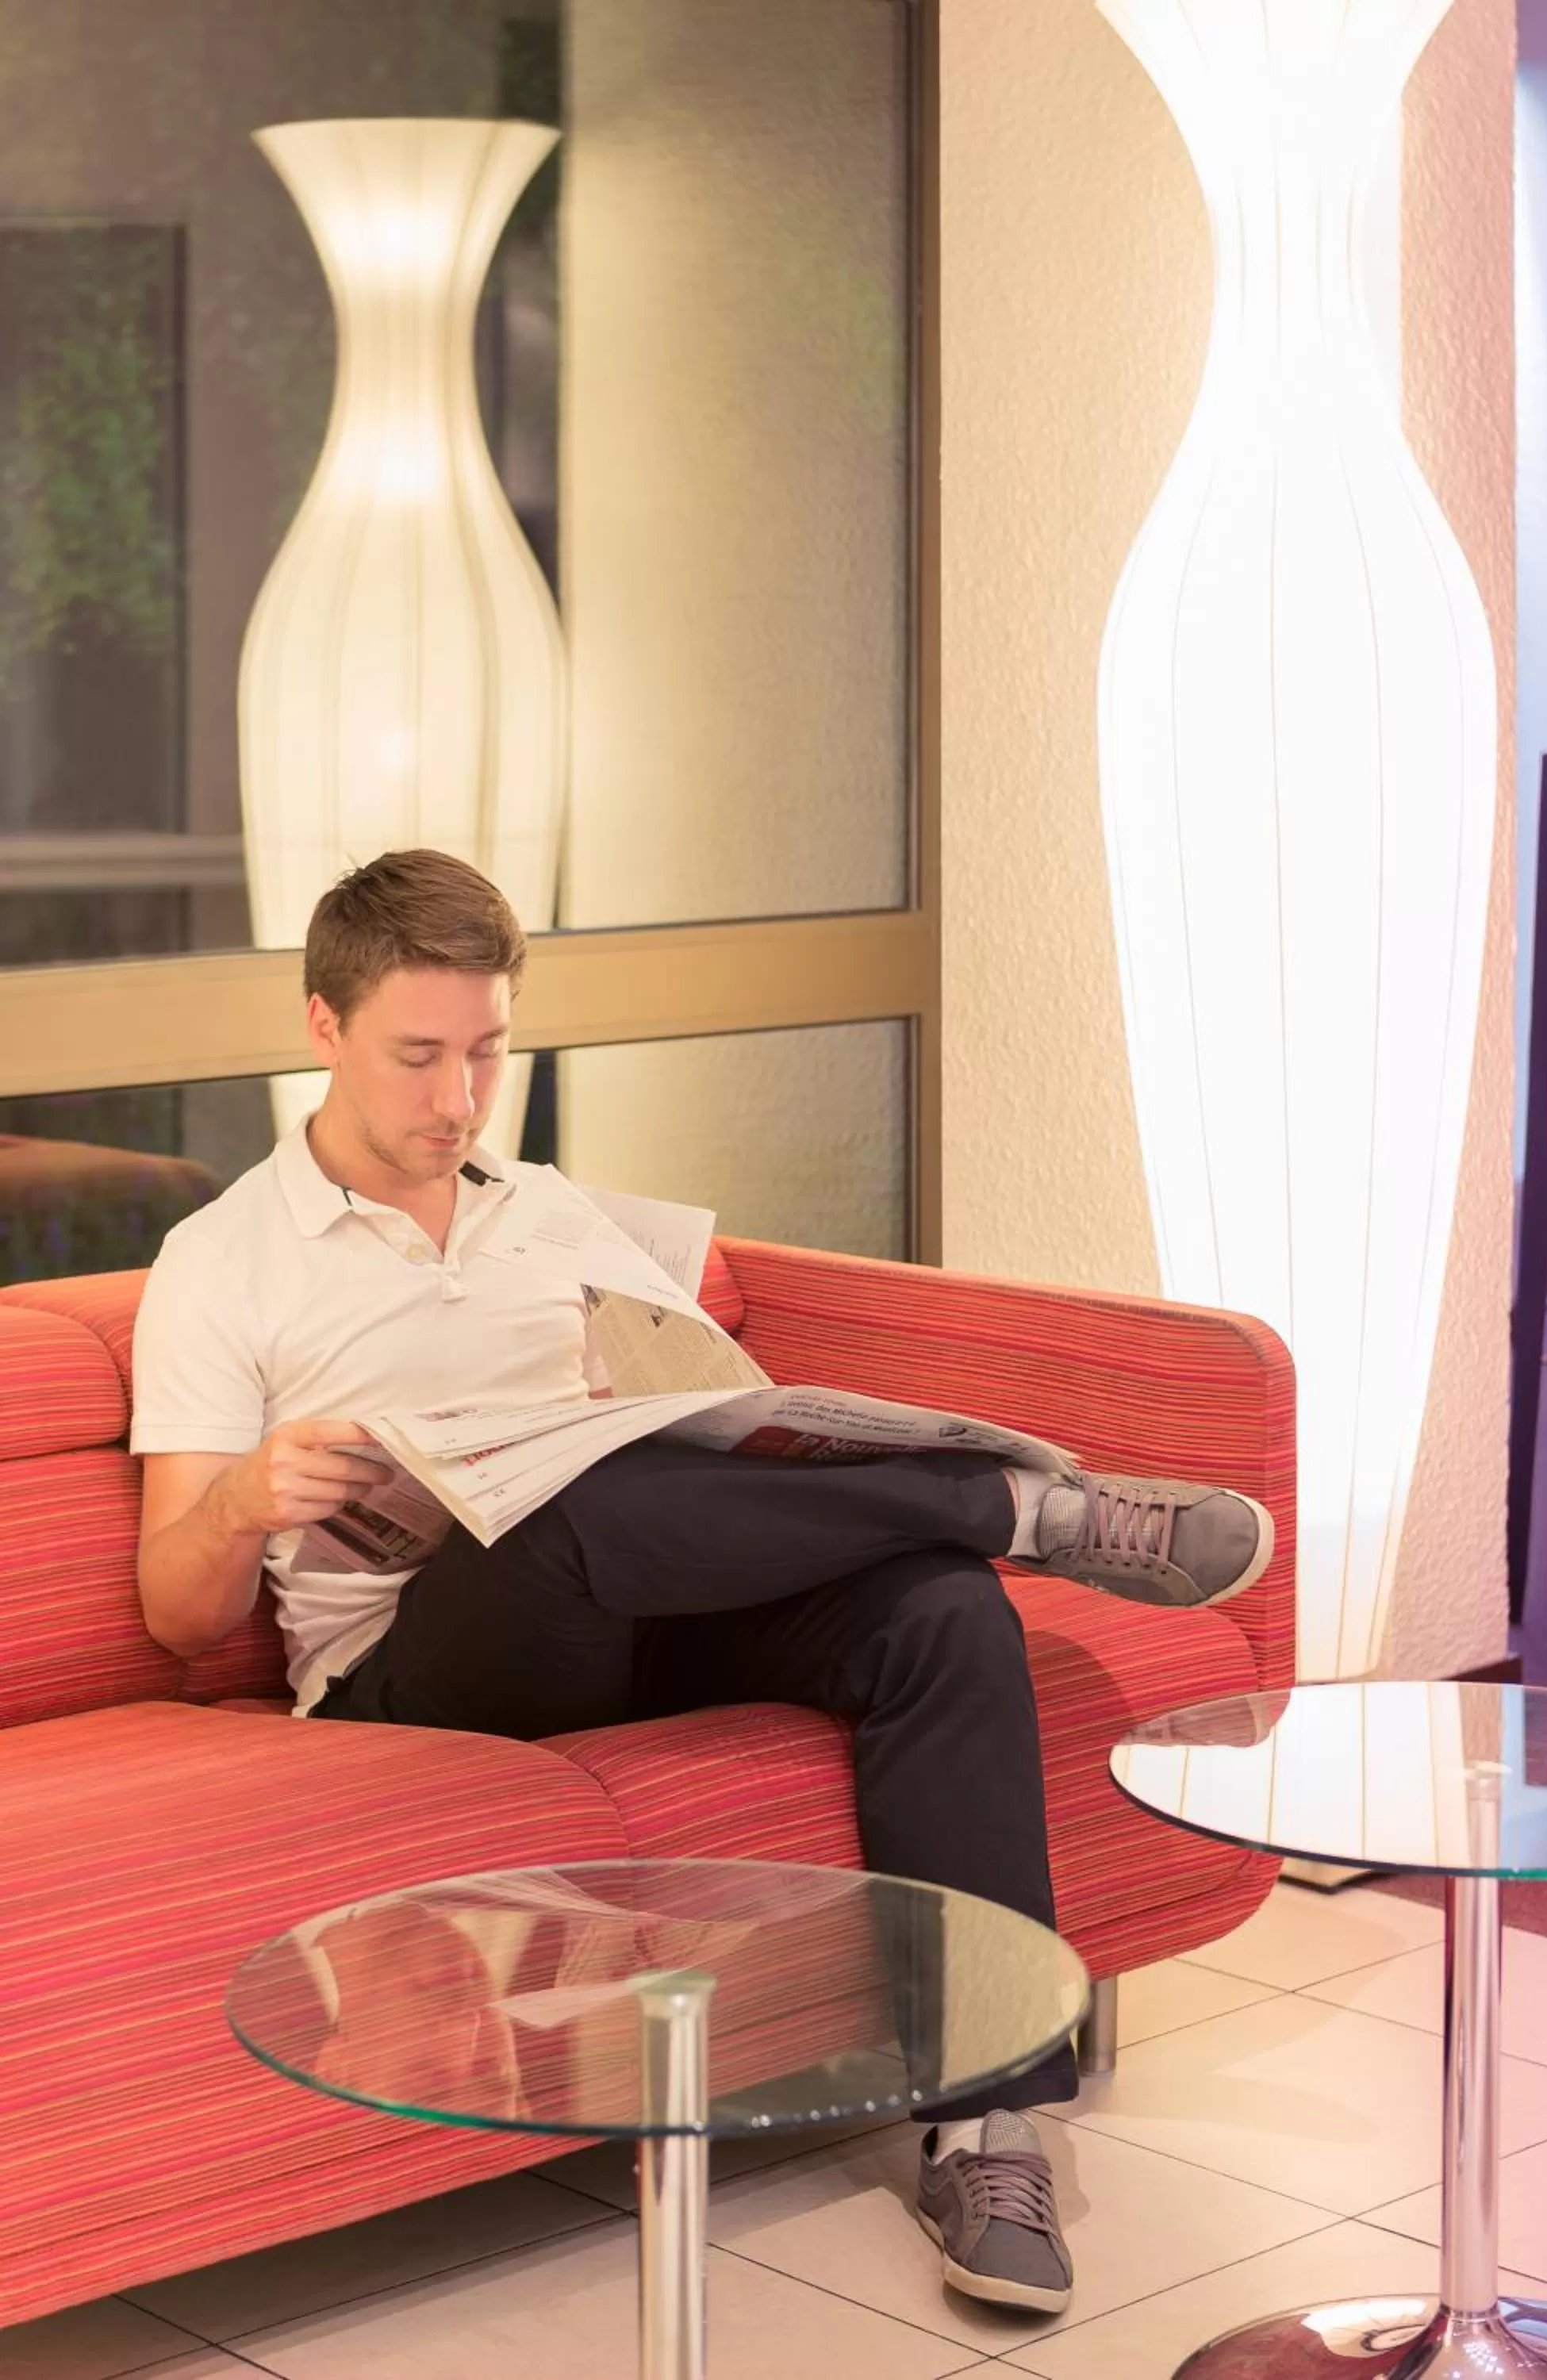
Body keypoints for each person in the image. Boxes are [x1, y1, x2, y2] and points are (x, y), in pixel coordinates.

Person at [132, 849, 1274, 2321]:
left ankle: (987, 2117)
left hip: (648, 1597)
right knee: (550, 1509)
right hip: (422, 1666)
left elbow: (708, 1426)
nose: (457, 1099)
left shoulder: (550, 1211)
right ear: (322, 1027)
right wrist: (242, 1497)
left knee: (934, 1613)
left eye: (486, 1052)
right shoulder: (222, 1261)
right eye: (418, 1056)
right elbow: (178, 1612)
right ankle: (1007, 1504)